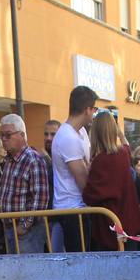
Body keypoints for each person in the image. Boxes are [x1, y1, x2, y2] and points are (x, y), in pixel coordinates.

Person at [82, 110, 140, 251]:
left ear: (95, 133)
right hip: (130, 224)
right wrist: (120, 133)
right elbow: (127, 147)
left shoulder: (100, 161)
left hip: (111, 228)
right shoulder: (123, 154)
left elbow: (89, 195)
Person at [51, 87, 98, 252]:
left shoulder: (81, 133)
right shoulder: (68, 137)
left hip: (78, 207)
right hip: (72, 210)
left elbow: (86, 165)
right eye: (94, 109)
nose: (94, 114)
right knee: (79, 263)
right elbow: (82, 179)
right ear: (87, 110)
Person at [0, 113, 50, 255]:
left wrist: (25, 225)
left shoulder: (33, 160)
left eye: (8, 135)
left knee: (29, 272)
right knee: (16, 273)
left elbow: (40, 199)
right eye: (1, 135)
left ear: (21, 135)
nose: (3, 139)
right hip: (10, 227)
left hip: (27, 232)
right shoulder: (9, 160)